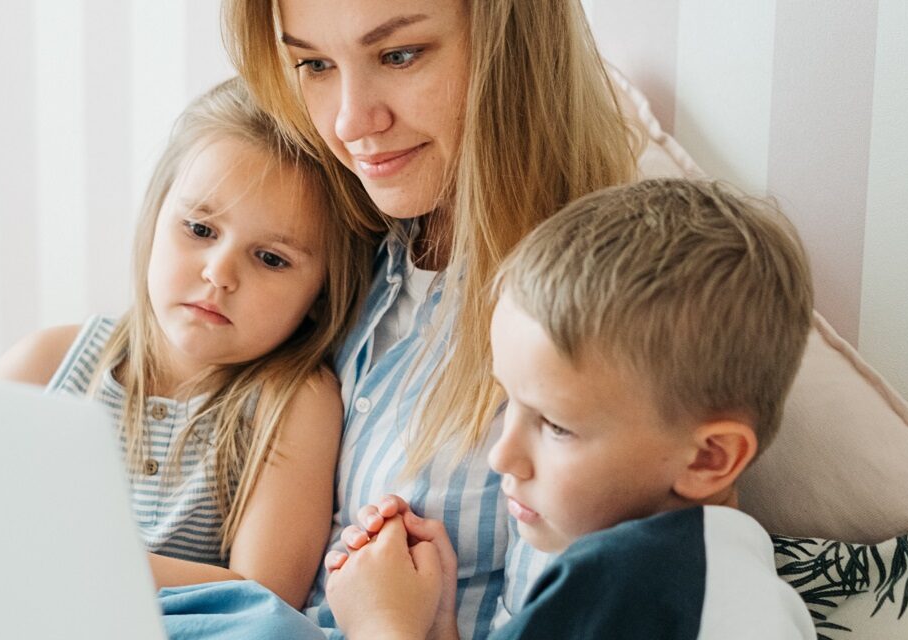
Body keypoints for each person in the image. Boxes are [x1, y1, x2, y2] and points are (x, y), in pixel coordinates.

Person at [175, 0, 640, 638]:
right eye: (313, 63)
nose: (350, 122)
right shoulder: (346, 242)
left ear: (514, 53)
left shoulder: (597, 320)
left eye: (399, 55)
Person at [324, 179, 818, 640]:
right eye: (508, 403)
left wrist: (382, 624)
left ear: (708, 459)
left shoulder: (630, 583)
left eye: (556, 426)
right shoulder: (722, 581)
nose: (503, 457)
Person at [0, 77, 377, 612]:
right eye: (198, 228)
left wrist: (62, 557)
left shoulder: (291, 402)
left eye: (271, 258)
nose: (219, 273)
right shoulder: (49, 364)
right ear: (156, 215)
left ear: (320, 292)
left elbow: (261, 598)